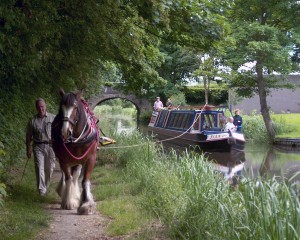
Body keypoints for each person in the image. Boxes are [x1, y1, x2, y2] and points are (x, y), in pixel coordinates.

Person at [26, 98, 56, 196]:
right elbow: (28, 135)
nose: (41, 109)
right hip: (38, 146)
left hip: (50, 146)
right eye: (39, 107)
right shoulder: (32, 120)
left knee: (49, 169)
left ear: (45, 106)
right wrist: (28, 149)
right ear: (36, 108)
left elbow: (59, 132)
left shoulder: (53, 118)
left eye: (42, 106)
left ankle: (46, 187)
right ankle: (41, 192)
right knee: (39, 168)